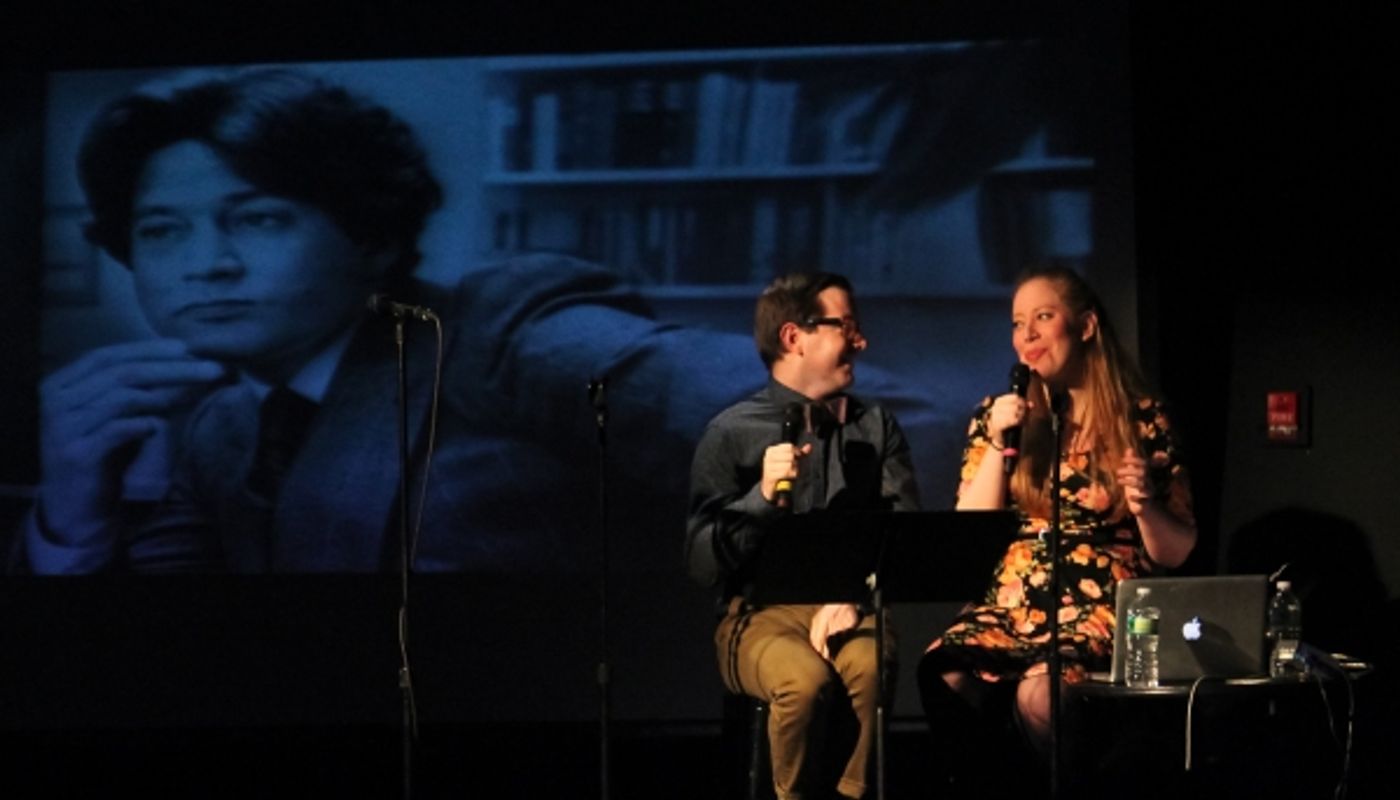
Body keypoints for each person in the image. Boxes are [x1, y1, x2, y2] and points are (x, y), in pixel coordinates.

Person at [12, 66, 782, 574]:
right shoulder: (222, 426)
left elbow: (826, 420)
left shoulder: (499, 336)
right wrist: (71, 514)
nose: (205, 264)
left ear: (371, 235)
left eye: (260, 219)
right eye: (161, 231)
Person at [916, 265, 1197, 793]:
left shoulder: (1141, 420)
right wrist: (998, 444)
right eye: (1017, 322)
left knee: (1041, 698)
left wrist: (1143, 506)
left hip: (1099, 604)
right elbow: (970, 529)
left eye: (1043, 317)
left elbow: (1176, 551)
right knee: (944, 669)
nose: (1027, 334)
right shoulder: (999, 416)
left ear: (1085, 326)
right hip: (1013, 602)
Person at [686, 272, 921, 800]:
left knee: (870, 666)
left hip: (846, 606)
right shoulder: (731, 432)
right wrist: (760, 498)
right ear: (794, 337)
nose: (861, 341)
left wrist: (852, 597)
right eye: (846, 326)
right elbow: (700, 562)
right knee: (803, 680)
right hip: (757, 614)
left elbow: (903, 533)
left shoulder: (875, 427)